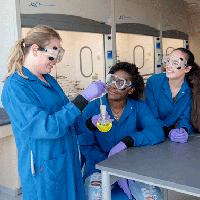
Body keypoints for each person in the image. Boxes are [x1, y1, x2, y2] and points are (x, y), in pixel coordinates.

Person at [1, 25, 107, 200]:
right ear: (35, 49)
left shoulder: (49, 80)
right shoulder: (16, 86)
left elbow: (68, 119)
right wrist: (83, 98)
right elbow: (44, 127)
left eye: (59, 54)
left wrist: (89, 123)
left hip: (68, 159)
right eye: (54, 53)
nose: (57, 60)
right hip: (44, 167)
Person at [77, 62, 165, 200]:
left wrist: (127, 141)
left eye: (120, 83)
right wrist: (111, 167)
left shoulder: (138, 107)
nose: (113, 86)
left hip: (131, 164)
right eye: (112, 80)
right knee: (96, 196)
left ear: (130, 90)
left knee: (153, 197)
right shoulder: (93, 107)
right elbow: (85, 144)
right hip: (98, 165)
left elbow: (156, 131)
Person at [145, 48, 200, 143]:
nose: (168, 66)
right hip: (151, 132)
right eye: (168, 61)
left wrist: (183, 130)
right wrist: (169, 132)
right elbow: (151, 116)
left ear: (187, 69)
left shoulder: (191, 88)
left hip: (172, 137)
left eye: (175, 63)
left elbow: (185, 117)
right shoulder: (153, 82)